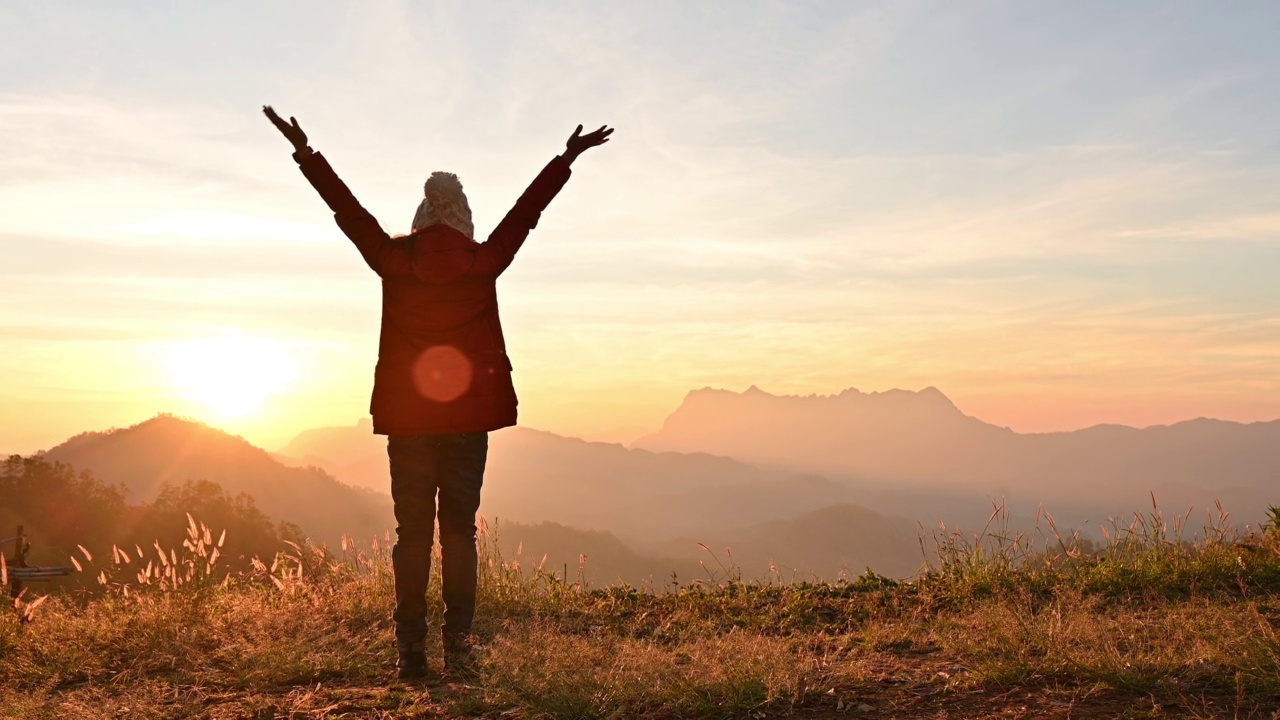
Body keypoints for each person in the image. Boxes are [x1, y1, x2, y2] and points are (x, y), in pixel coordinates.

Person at [263, 105, 613, 680]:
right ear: (464, 217)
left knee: (412, 536)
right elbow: (528, 213)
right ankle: (459, 645)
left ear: (423, 214)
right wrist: (565, 159)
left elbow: (347, 211)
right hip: (467, 422)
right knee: (459, 532)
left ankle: (410, 653)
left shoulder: (393, 262)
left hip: (409, 422)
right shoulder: (483, 262)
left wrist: (307, 153)